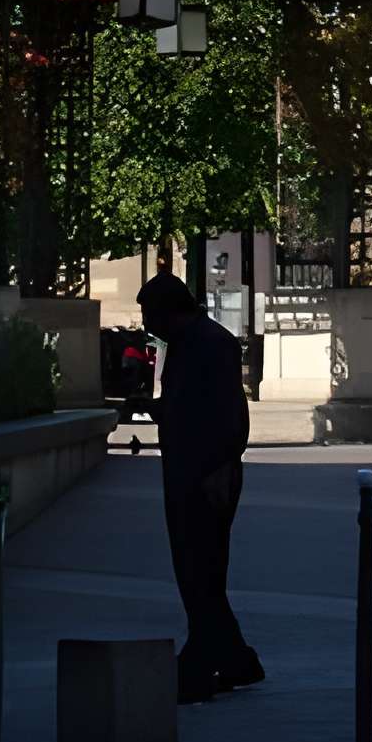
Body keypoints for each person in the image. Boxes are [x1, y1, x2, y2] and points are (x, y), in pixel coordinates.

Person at [137, 269, 260, 701]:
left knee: (199, 571)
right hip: (192, 472)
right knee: (199, 574)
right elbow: (191, 406)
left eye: (148, 313)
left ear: (170, 311)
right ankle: (234, 659)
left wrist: (217, 471)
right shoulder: (193, 344)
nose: (145, 324)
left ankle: (199, 666)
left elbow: (227, 417)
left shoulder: (210, 344)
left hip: (204, 476)